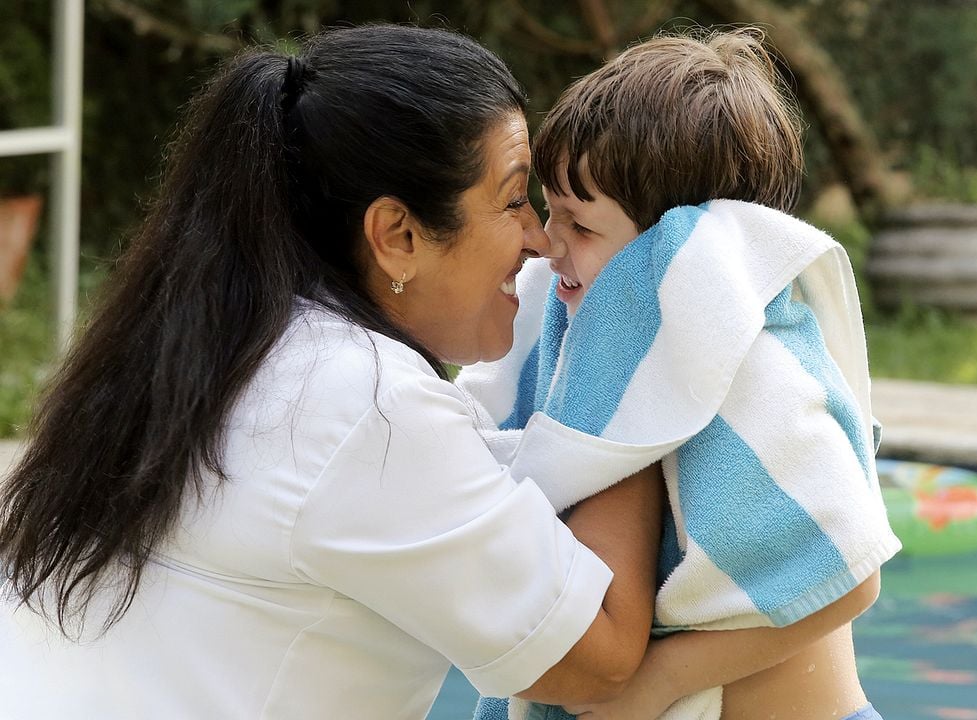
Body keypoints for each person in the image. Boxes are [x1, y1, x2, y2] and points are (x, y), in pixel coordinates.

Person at [0, 25, 665, 719]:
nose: (538, 238)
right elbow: (600, 657)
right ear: (397, 237)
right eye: (511, 199)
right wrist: (636, 343)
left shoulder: (218, 346)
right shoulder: (366, 406)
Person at [460, 28, 901, 720]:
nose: (547, 243)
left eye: (579, 224)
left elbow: (850, 573)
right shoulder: (604, 357)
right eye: (551, 211)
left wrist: (661, 681)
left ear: (682, 250)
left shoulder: (748, 360)